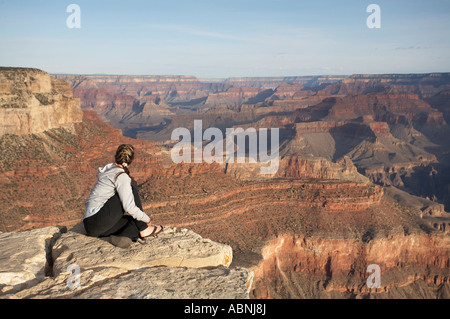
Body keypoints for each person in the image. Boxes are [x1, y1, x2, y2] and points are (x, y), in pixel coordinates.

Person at [83, 144, 163, 248]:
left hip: (91, 225)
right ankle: (144, 229)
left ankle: (111, 239)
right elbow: (129, 207)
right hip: (96, 220)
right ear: (131, 161)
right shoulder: (121, 176)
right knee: (132, 190)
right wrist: (146, 219)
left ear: (116, 157)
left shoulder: (109, 170)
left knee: (132, 223)